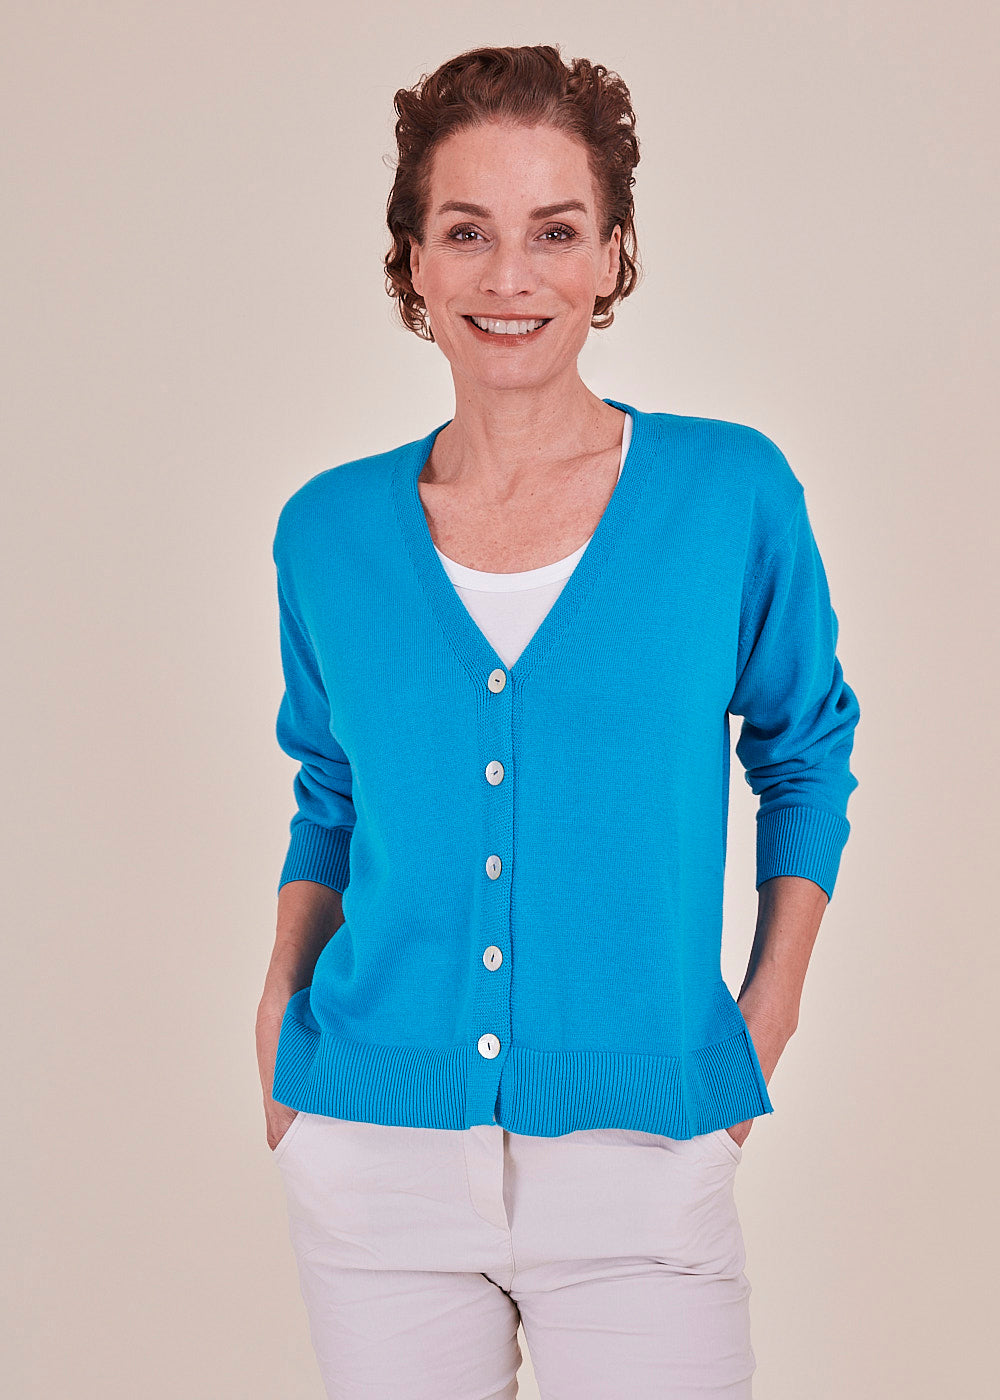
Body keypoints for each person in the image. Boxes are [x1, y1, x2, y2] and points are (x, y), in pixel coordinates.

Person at [255, 42, 860, 1400]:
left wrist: (764, 1018)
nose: (510, 276)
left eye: (556, 231)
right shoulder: (327, 531)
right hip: (372, 1152)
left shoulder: (728, 493)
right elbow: (331, 790)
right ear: (413, 259)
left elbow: (807, 754)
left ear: (612, 255)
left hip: (642, 1152)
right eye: (467, 231)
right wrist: (279, 1013)